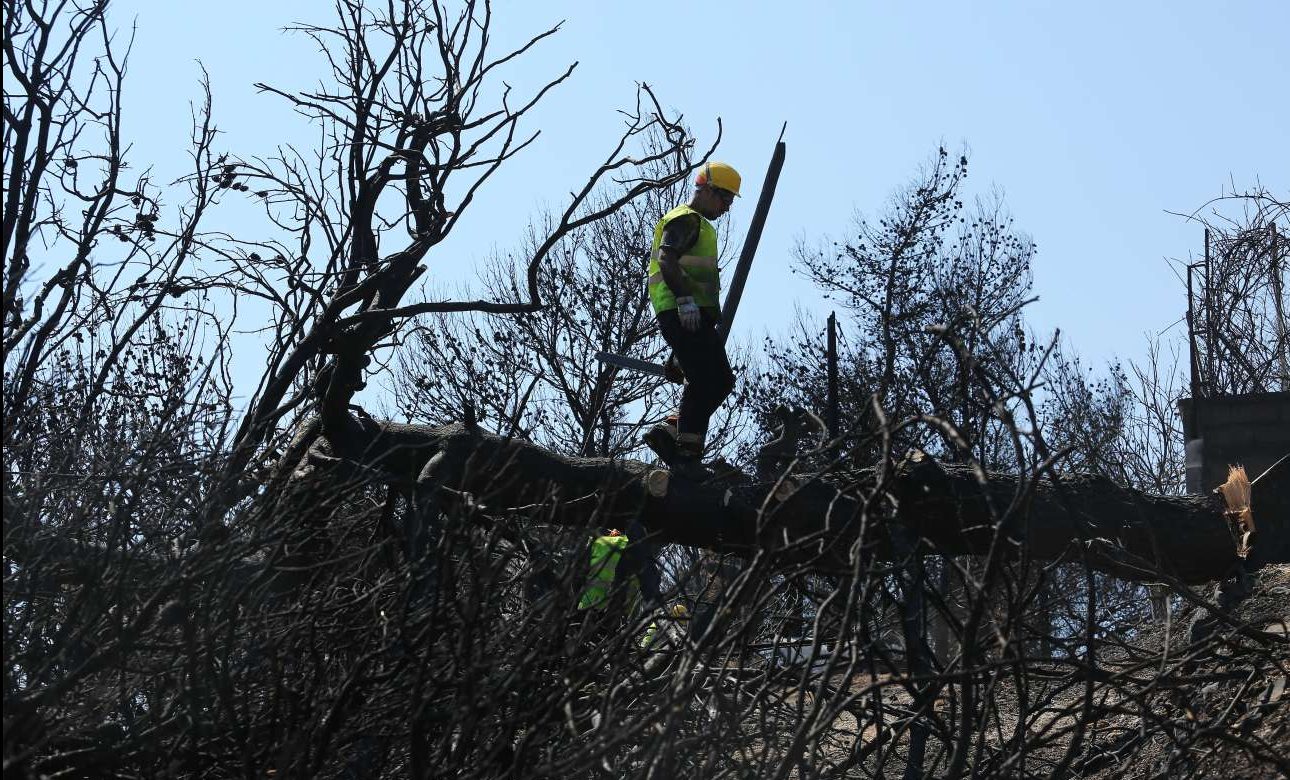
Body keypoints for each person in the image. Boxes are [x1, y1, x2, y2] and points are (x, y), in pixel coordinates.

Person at [643, 161, 741, 476]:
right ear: (708, 190)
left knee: (715, 380)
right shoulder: (685, 219)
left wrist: (677, 353)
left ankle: (674, 434)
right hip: (682, 312)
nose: (727, 208)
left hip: (690, 318)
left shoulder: (699, 224)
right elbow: (667, 259)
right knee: (712, 381)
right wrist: (685, 302)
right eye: (725, 199)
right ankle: (685, 452)